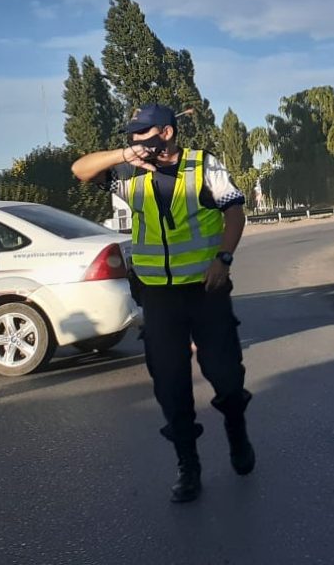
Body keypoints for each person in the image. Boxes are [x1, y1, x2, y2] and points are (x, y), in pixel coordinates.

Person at [72, 104, 254, 503]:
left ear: (166, 133)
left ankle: (236, 428)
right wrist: (125, 155)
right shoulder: (128, 172)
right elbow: (80, 169)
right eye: (131, 134)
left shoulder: (203, 165)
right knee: (170, 384)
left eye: (141, 133)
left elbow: (235, 212)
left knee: (225, 374)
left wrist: (223, 259)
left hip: (206, 289)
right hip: (158, 296)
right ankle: (188, 465)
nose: (134, 140)